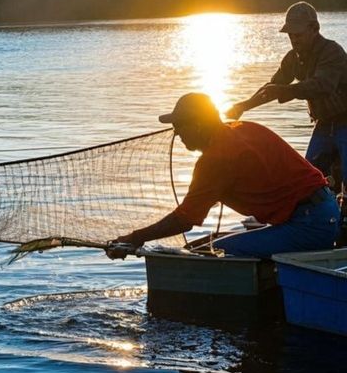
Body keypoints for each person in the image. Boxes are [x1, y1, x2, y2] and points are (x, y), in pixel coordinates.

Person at [106, 92, 340, 260]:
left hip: (309, 223)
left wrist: (136, 238)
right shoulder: (243, 128)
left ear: (198, 125)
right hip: (325, 210)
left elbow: (185, 219)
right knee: (210, 246)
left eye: (179, 126)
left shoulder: (216, 159)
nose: (177, 134)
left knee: (218, 253)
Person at [226, 1, 347, 185]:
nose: (294, 39)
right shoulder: (292, 58)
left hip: (344, 123)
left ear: (314, 29)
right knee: (309, 179)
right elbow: (273, 87)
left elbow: (322, 85)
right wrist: (243, 106)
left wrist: (286, 91)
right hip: (323, 125)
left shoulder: (332, 52)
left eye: (298, 34)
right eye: (290, 35)